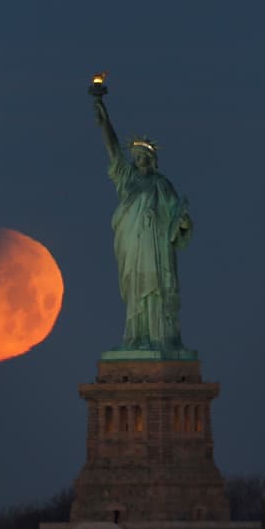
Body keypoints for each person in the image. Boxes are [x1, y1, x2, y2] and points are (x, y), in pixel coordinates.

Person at [93, 95, 193, 352]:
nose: (137, 159)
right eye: (135, 155)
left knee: (156, 289)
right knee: (137, 289)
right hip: (133, 244)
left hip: (156, 246)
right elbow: (114, 151)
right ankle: (137, 338)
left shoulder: (162, 184)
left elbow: (176, 216)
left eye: (142, 155)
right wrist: (105, 120)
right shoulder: (127, 180)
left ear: (150, 158)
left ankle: (159, 339)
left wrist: (182, 222)